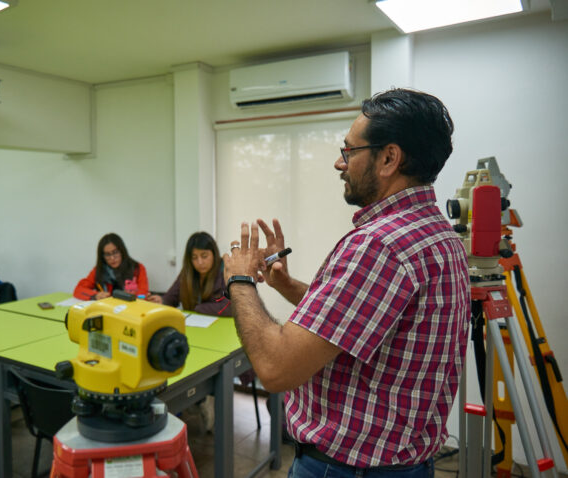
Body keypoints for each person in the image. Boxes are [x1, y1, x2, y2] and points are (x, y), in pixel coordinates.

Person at [222, 88, 471, 477]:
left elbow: (275, 369)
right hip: (405, 465)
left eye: (349, 151)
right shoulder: (438, 235)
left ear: (389, 158)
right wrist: (285, 285)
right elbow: (358, 321)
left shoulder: (379, 245)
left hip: (347, 469)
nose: (340, 164)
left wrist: (239, 278)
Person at [146, 232, 230, 316]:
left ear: (214, 254)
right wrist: (161, 300)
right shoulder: (188, 271)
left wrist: (199, 308)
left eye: (204, 256)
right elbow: (171, 297)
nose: (200, 262)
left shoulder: (225, 271)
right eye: (194, 258)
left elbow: (228, 307)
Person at [73, 233, 149, 300]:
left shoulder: (137, 268)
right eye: (107, 254)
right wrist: (95, 295)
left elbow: (143, 295)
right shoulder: (99, 270)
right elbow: (78, 290)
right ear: (102, 256)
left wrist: (134, 296)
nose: (112, 258)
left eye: (115, 252)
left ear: (122, 251)